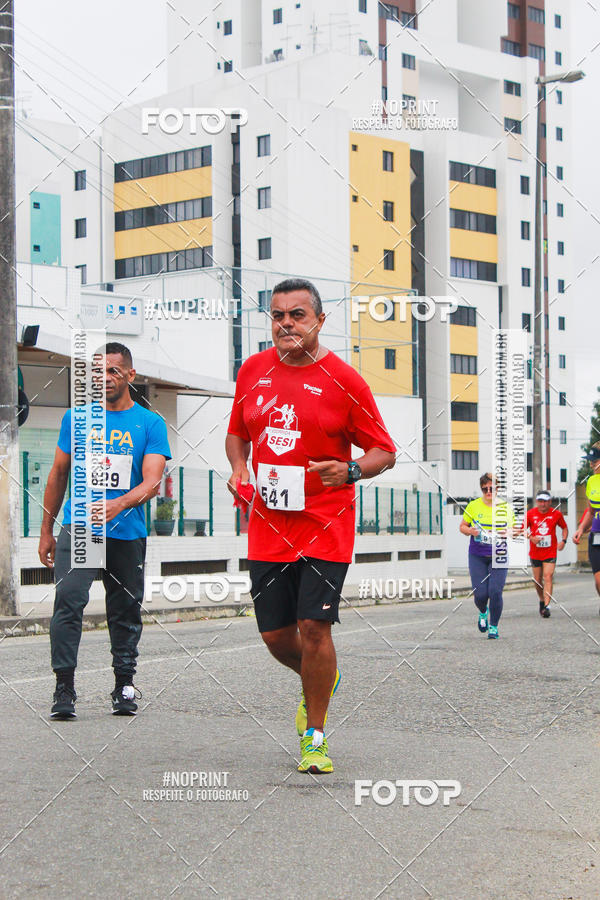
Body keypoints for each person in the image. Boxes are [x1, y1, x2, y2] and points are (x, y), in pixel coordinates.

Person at [226, 278, 396, 774]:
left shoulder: (346, 381)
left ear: (320, 321)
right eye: (278, 315)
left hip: (326, 522)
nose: (286, 324)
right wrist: (239, 469)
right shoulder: (252, 371)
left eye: (297, 315)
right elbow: (237, 437)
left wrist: (350, 470)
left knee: (314, 627)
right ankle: (320, 677)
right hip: (267, 526)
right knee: (277, 637)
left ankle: (315, 736)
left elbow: (383, 451)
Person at [39, 343, 171, 719]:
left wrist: (118, 505)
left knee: (125, 610)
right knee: (68, 602)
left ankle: (124, 684)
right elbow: (58, 474)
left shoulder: (150, 423)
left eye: (113, 371)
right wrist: (47, 530)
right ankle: (64, 687)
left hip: (126, 531)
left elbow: (152, 482)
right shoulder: (76, 419)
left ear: (130, 375)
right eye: (97, 372)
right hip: (81, 529)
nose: (104, 379)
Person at [459, 473, 516, 640]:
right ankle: (483, 612)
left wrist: (509, 532)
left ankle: (494, 626)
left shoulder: (505, 507)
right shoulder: (473, 506)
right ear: (482, 490)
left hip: (499, 554)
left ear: (497, 489)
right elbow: (462, 526)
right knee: (480, 594)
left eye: (492, 488)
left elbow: (516, 528)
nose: (488, 492)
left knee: (495, 591)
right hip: (477, 555)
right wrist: (470, 531)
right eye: (485, 489)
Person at [526, 491, 568, 617]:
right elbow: (522, 529)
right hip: (535, 552)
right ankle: (541, 599)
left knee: (548, 577)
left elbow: (564, 528)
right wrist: (531, 537)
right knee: (537, 580)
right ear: (537, 502)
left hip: (550, 551)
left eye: (545, 501)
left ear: (550, 502)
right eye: (540, 501)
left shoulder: (556, 514)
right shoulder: (530, 514)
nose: (542, 504)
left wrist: (563, 541)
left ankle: (547, 606)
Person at [573, 442, 600, 614]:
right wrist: (581, 529)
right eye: (590, 460)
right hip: (596, 536)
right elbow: (590, 511)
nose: (591, 464)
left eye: (594, 460)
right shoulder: (591, 481)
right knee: (598, 581)